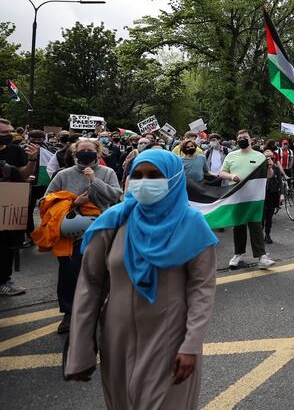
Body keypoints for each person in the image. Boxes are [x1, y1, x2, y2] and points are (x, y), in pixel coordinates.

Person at [64, 150, 218, 409]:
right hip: (117, 340)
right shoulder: (112, 222)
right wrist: (80, 349)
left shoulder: (192, 224)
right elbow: (90, 286)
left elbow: (202, 289)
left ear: (173, 179)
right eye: (138, 175)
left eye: (155, 176)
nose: (144, 182)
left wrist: (191, 345)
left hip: (170, 341)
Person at [39, 138, 122, 333]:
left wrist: (95, 180)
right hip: (70, 232)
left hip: (101, 228)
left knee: (101, 271)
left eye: (89, 150)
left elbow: (115, 196)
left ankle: (100, 308)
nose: (85, 153)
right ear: (75, 154)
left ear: (97, 153)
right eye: (81, 150)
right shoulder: (63, 175)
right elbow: (45, 202)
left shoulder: (107, 172)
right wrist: (74, 203)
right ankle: (69, 312)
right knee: (69, 272)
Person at [219, 129, 274, 270]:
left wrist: (270, 168)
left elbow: (268, 176)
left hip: (254, 198)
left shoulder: (260, 156)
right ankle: (238, 255)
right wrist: (232, 177)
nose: (242, 139)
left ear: (251, 139)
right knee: (239, 227)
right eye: (239, 137)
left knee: (256, 227)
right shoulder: (231, 155)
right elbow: (222, 173)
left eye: (244, 137)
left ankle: (262, 256)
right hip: (237, 198)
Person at [0, 118, 31, 296]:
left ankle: (4, 280)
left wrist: (32, 160)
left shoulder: (15, 150)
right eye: (5, 132)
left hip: (10, 199)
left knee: (7, 245)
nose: (10, 135)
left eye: (11, 131)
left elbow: (22, 174)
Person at [262, 151, 283, 245]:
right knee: (262, 217)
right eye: (267, 157)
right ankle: (260, 234)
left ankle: (267, 234)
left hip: (272, 194)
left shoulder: (276, 168)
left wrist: (281, 194)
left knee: (269, 216)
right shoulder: (260, 168)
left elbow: (280, 182)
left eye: (271, 157)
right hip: (262, 195)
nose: (269, 159)